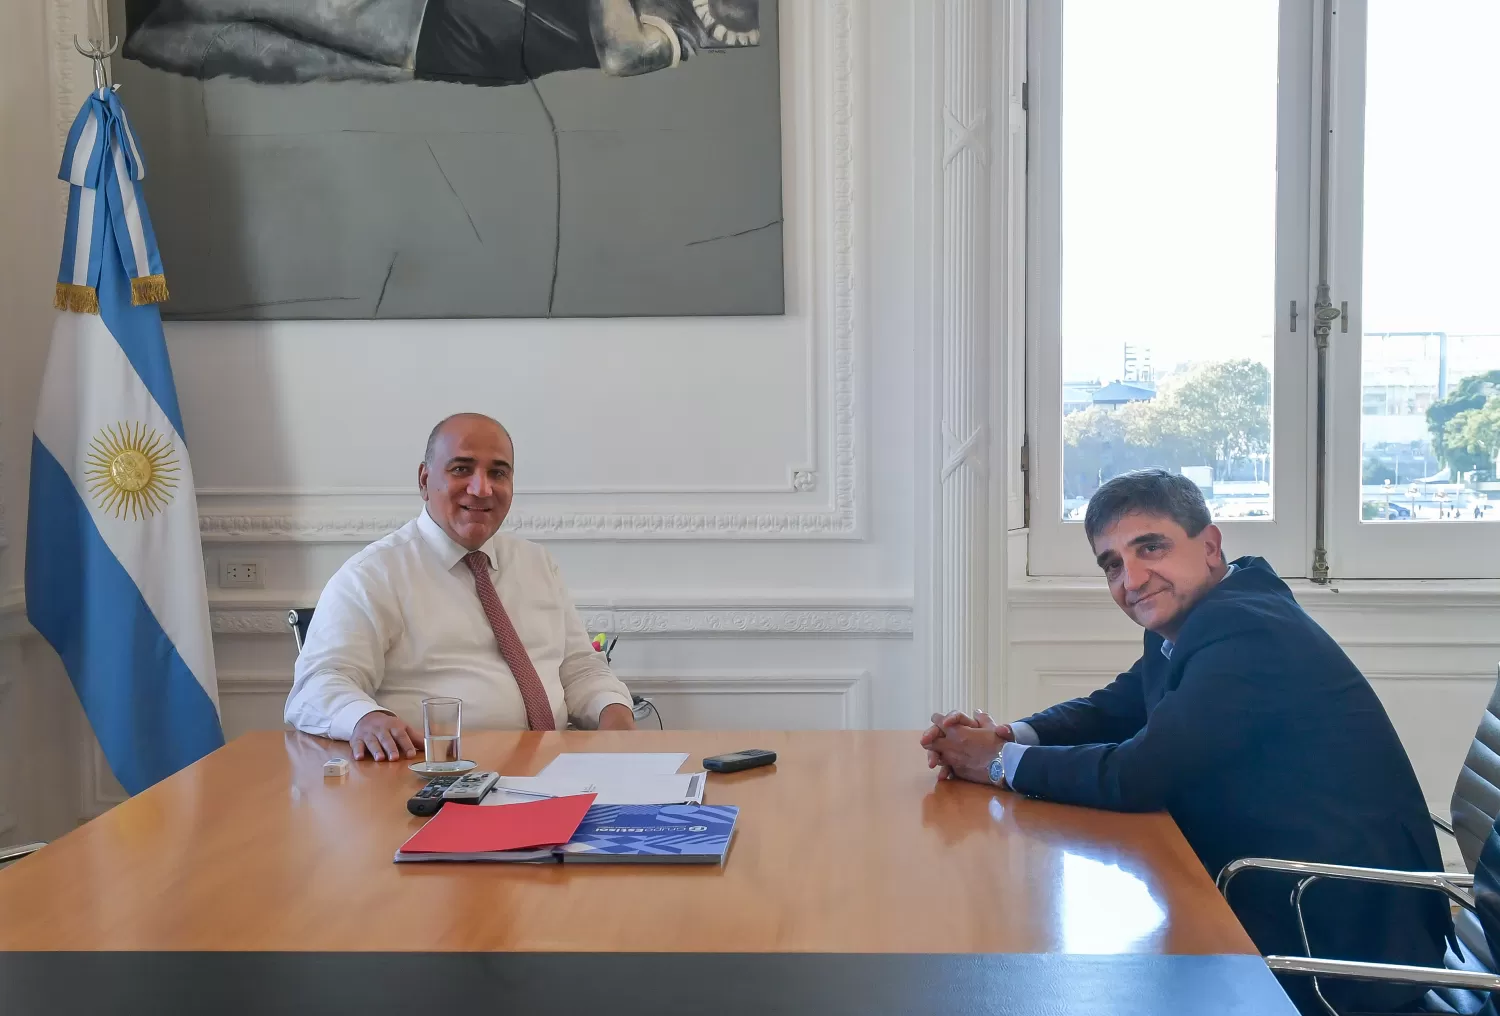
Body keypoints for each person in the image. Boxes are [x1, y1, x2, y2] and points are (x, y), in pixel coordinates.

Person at [921, 469, 1448, 1016]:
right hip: (1275, 886)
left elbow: (1139, 774)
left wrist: (999, 764)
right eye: (1113, 564)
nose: (1133, 578)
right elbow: (1115, 707)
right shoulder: (1204, 614)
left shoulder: (1245, 629)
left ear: (1211, 546)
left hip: (1334, 927)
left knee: (1059, 975)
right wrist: (1007, 735)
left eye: (1151, 546)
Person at [285, 413, 635, 762]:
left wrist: (615, 714)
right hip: (435, 780)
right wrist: (366, 718)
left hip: (556, 771)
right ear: (424, 480)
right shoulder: (373, 575)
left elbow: (579, 669)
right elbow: (316, 685)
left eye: (498, 473)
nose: (481, 488)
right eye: (461, 469)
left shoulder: (537, 564)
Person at [123, 0, 762, 87]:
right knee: (281, 45)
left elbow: (618, 52)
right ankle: (152, 29)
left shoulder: (672, 38)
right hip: (455, 19)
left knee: (291, 16)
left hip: (446, 29)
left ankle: (150, 23)